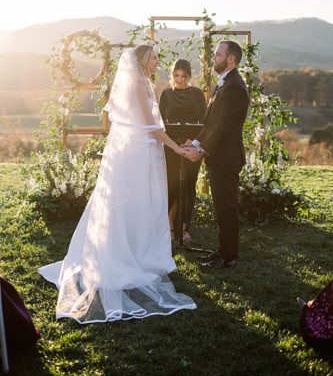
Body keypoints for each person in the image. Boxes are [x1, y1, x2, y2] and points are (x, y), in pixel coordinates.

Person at [38, 45, 197, 324]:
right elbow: (152, 128)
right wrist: (177, 148)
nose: (158, 61)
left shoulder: (140, 83)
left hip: (135, 151)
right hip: (137, 154)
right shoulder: (138, 87)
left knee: (132, 204)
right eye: (154, 57)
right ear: (142, 61)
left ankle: (135, 250)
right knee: (132, 203)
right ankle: (127, 256)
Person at [184, 40, 249, 269]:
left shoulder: (234, 87)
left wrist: (200, 150)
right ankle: (222, 251)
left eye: (218, 54)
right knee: (221, 206)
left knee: (226, 207)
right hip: (218, 157)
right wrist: (194, 142)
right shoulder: (224, 84)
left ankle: (229, 256)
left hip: (226, 157)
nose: (214, 58)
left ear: (230, 59)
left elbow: (225, 126)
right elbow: (210, 124)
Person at [159, 59, 206, 242]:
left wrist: (192, 142)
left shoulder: (197, 94)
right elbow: (160, 123)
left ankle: (185, 228)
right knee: (172, 185)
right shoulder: (166, 95)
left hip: (192, 146)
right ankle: (170, 228)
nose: (179, 79)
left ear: (188, 75)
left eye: (183, 76)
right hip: (171, 146)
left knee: (188, 185)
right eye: (176, 75)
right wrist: (174, 144)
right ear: (172, 75)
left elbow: (204, 120)